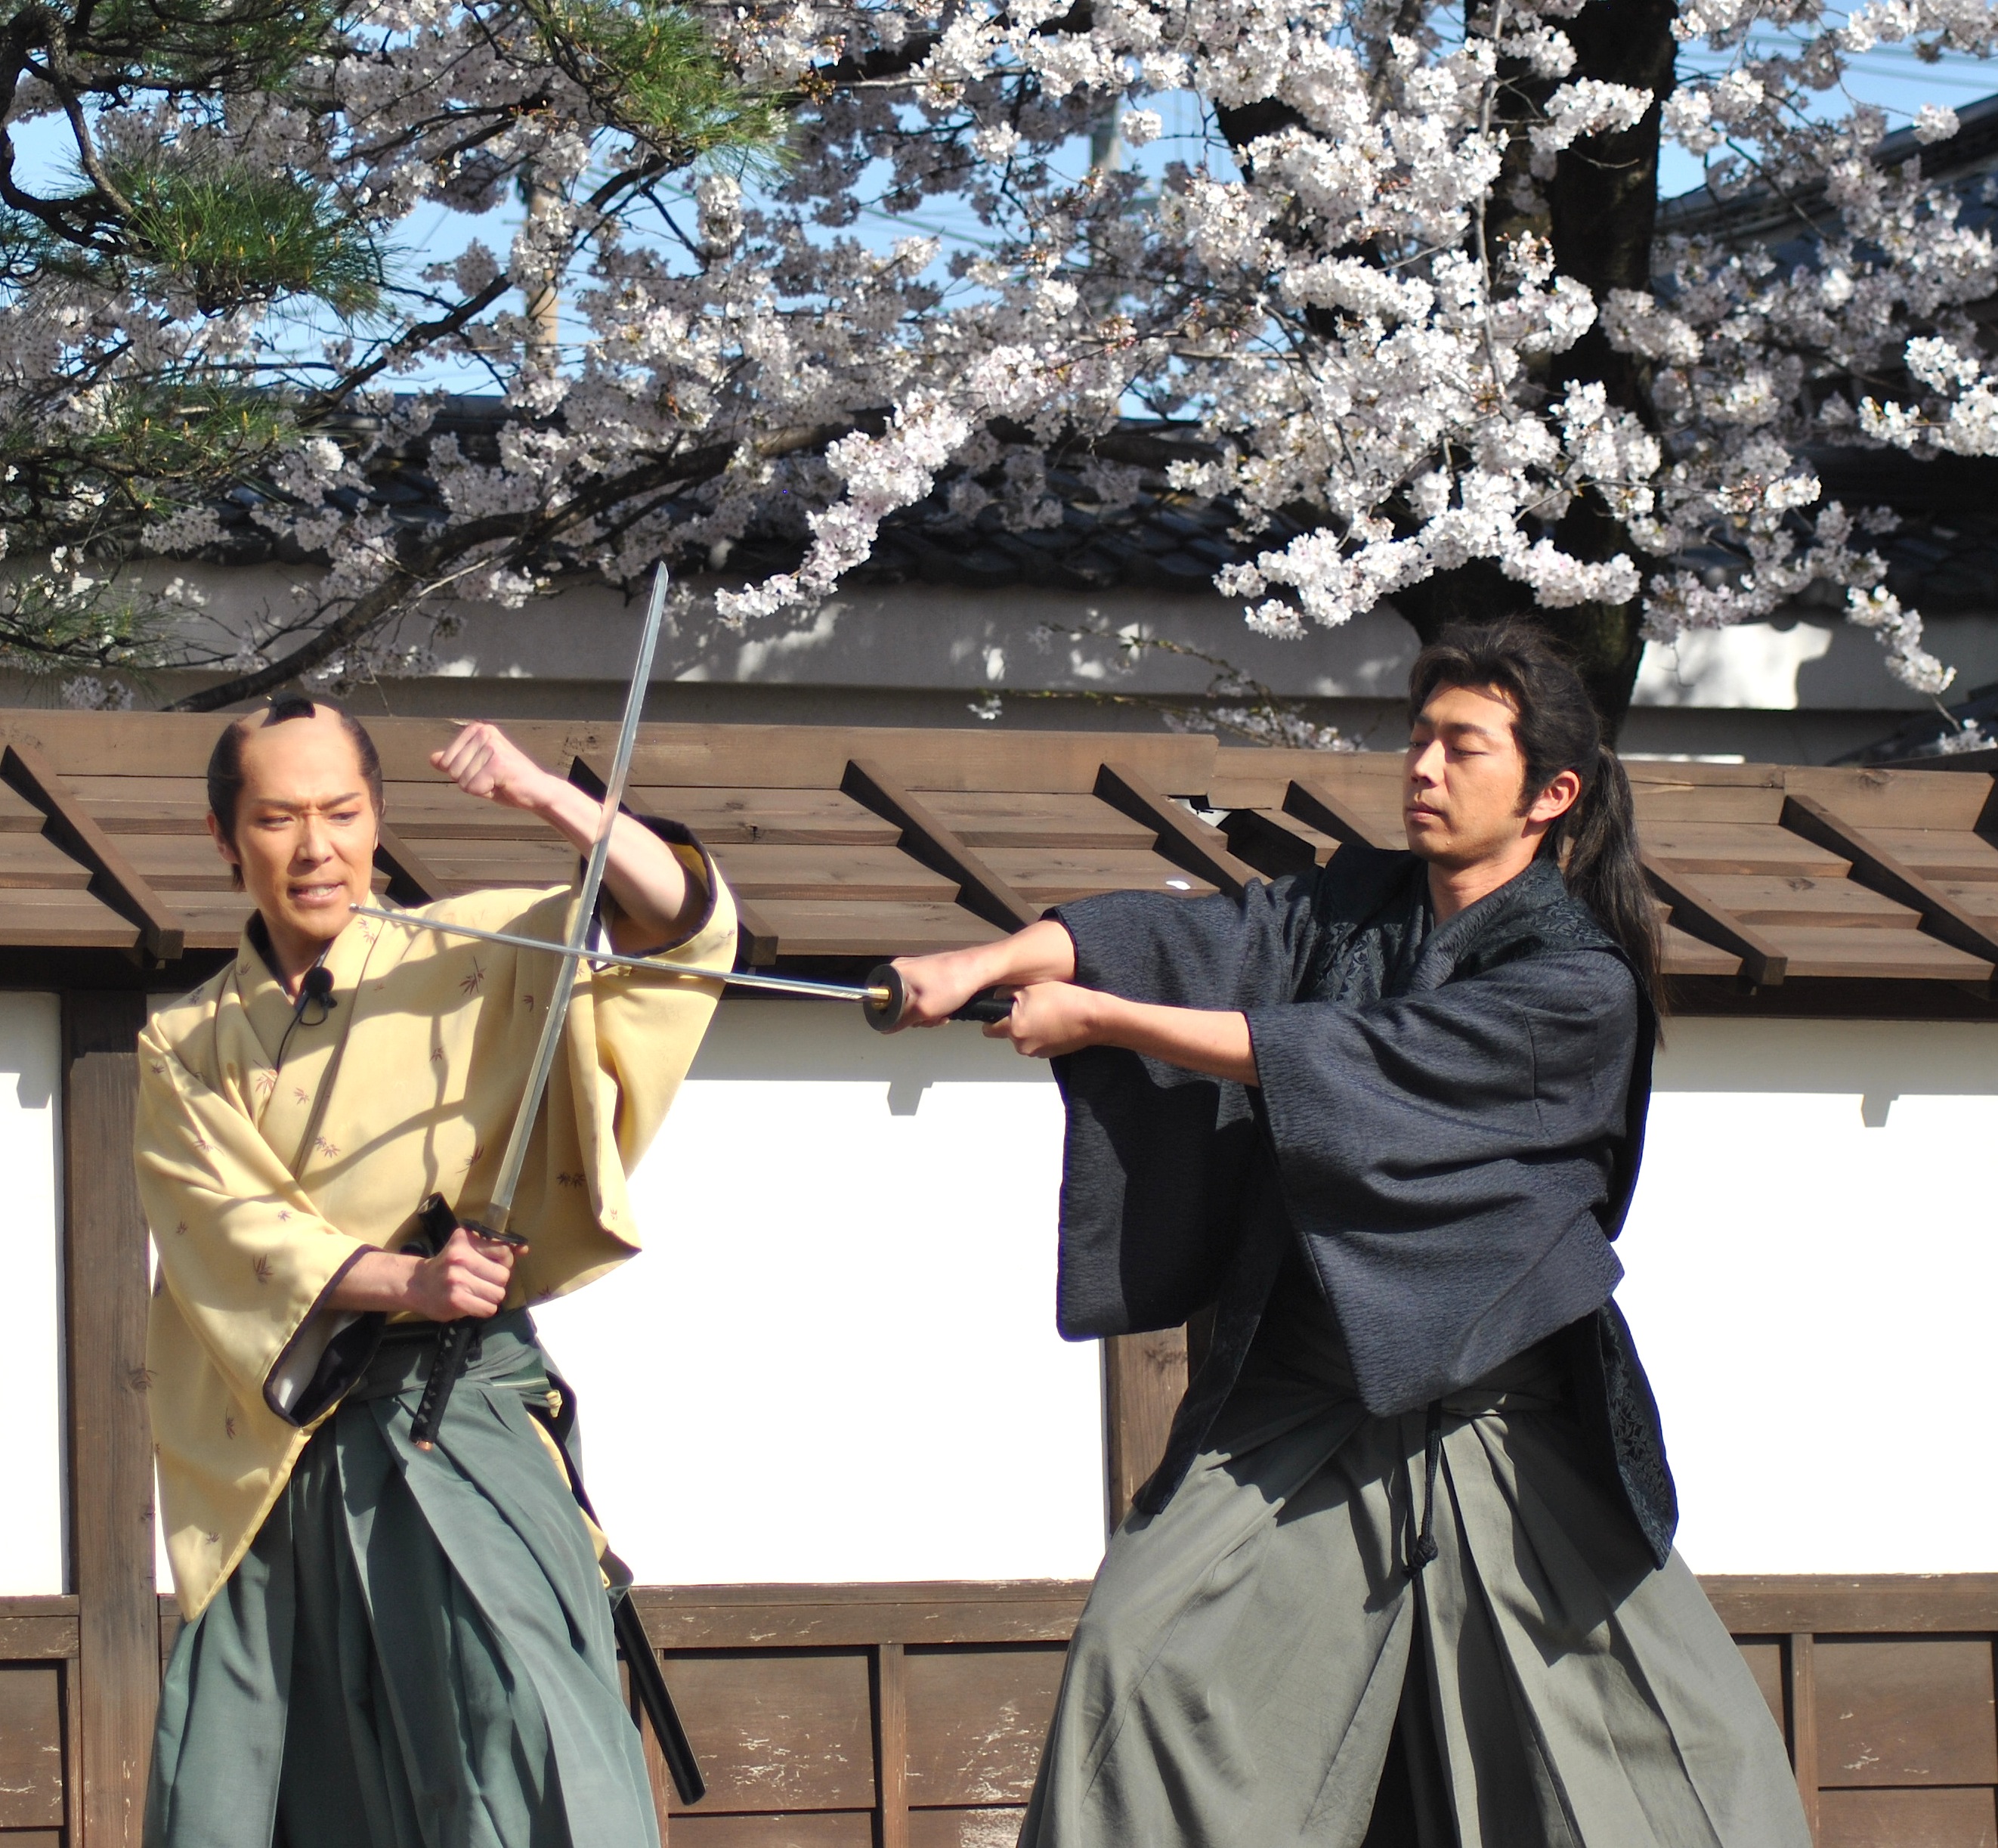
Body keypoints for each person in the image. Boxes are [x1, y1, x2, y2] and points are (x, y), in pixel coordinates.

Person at [887, 624, 1811, 1848]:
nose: (1423, 766)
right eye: (1418, 737)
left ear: (1553, 793)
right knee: (1136, 1654)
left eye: (1462, 746)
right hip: (1307, 1401)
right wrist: (981, 959)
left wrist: (1105, 1019)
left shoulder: (1578, 986)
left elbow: (1357, 1065)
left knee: (1654, 1761)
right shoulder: (1355, 908)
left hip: (1506, 1418)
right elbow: (1196, 941)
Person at [139, 698, 735, 1848]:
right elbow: (223, 1227)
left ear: (377, 819)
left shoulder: (478, 951)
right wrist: (402, 1280)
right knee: (253, 1781)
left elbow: (680, 925)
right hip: (276, 1451)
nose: (315, 847)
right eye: (277, 817)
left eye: (342, 812)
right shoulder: (186, 1041)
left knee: (512, 1722)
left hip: (456, 1409)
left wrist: (549, 798)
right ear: (226, 837)